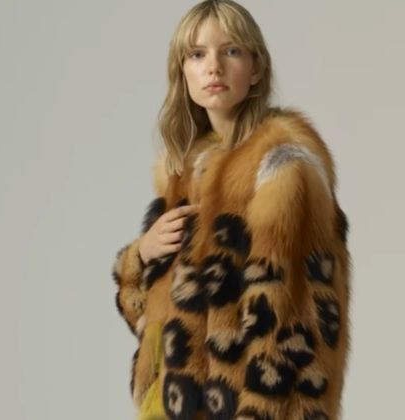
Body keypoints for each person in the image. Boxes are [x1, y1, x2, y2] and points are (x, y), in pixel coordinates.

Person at [111, 1, 351, 419]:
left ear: (256, 68)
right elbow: (159, 323)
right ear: (182, 72)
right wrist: (141, 256)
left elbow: (290, 336)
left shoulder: (282, 169)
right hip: (174, 405)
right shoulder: (184, 172)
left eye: (231, 51)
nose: (214, 67)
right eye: (197, 54)